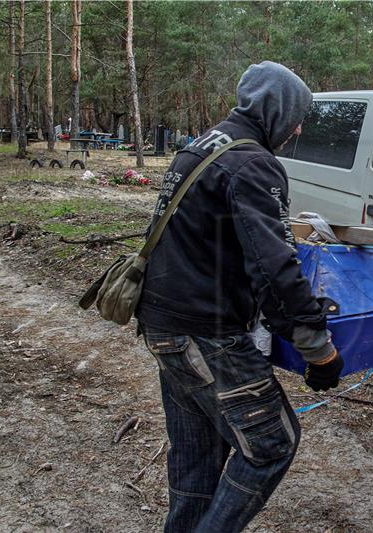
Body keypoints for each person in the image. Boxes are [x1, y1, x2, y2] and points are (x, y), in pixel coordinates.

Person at [135, 61, 344, 533]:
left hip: (164, 326)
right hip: (206, 332)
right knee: (273, 444)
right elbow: (274, 266)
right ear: (278, 111)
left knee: (198, 463)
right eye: (296, 117)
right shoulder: (253, 163)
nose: (297, 129)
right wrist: (318, 347)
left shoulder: (199, 149)